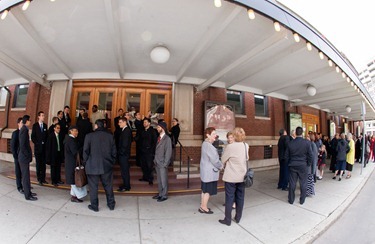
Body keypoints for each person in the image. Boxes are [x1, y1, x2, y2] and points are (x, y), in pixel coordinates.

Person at [83, 119, 117, 212]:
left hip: (92, 165)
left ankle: (94, 206)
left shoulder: (89, 136)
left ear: (96, 126)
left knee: (93, 187)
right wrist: (111, 162)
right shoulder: (110, 136)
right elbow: (114, 152)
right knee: (108, 186)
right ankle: (111, 205)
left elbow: (85, 151)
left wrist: (85, 163)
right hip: (107, 165)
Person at [219, 127, 248, 226]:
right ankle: (238, 217)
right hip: (242, 176)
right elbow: (247, 158)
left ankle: (227, 220)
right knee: (240, 197)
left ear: (235, 136)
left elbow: (223, 160)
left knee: (229, 198)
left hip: (231, 176)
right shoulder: (245, 145)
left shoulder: (230, 147)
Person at [285, 126, 313, 205]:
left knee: (292, 183)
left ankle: (291, 200)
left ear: (295, 133)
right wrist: (308, 164)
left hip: (293, 165)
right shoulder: (307, 143)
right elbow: (310, 155)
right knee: (303, 183)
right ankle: (302, 200)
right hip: (303, 165)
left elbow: (286, 156)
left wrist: (288, 164)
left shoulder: (290, 143)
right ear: (302, 133)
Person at [199, 127, 223, 214]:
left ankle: (202, 206)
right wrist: (221, 166)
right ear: (208, 135)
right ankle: (204, 207)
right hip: (210, 172)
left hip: (206, 172)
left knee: (204, 190)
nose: (215, 136)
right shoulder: (209, 146)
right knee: (208, 191)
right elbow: (215, 160)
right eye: (213, 134)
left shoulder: (205, 144)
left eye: (215, 134)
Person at [64, 125, 87, 202]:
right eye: (75, 131)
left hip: (70, 162)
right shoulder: (70, 140)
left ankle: (73, 196)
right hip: (71, 162)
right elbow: (75, 152)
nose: (77, 132)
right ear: (71, 131)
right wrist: (83, 148)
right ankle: (78, 196)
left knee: (73, 179)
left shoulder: (70, 139)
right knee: (73, 180)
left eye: (77, 131)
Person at [18, 115, 38, 201]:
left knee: (27, 176)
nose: (30, 121)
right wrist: (27, 155)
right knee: (25, 177)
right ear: (26, 121)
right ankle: (27, 195)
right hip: (23, 158)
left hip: (24, 157)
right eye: (30, 120)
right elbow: (22, 145)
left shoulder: (25, 129)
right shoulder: (24, 130)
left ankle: (29, 192)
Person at [152, 121, 172, 202]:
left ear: (162, 128)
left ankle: (164, 195)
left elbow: (168, 152)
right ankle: (160, 193)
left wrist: (165, 163)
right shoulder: (159, 137)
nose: (157, 128)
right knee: (159, 180)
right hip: (157, 162)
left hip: (163, 163)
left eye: (158, 127)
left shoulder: (167, 139)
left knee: (164, 180)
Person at [31, 111, 48, 186]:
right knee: (38, 164)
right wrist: (37, 143)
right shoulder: (35, 126)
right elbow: (33, 137)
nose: (43, 117)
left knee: (43, 164)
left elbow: (46, 136)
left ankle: (43, 178)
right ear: (39, 117)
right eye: (42, 115)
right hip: (38, 149)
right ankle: (39, 179)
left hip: (44, 149)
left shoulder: (45, 125)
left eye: (44, 115)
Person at [139, 118, 157, 185]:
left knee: (149, 165)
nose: (144, 124)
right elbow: (140, 140)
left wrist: (151, 150)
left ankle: (150, 179)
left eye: (146, 122)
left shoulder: (153, 131)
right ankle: (145, 177)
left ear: (149, 123)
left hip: (149, 151)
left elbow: (154, 142)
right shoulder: (142, 131)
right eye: (144, 122)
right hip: (143, 150)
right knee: (143, 165)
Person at [117, 117, 132, 192]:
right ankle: (125, 184)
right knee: (123, 171)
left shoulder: (126, 131)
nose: (118, 124)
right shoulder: (124, 130)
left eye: (120, 122)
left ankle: (126, 186)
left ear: (124, 122)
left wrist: (121, 153)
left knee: (125, 171)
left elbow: (125, 144)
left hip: (124, 155)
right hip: (123, 154)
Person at [10, 117, 23, 193]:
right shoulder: (15, 133)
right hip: (17, 156)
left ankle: (24, 184)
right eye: (21, 122)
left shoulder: (24, 132)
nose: (22, 124)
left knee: (23, 172)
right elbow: (12, 146)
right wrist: (15, 156)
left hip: (23, 157)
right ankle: (19, 186)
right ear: (18, 124)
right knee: (18, 172)